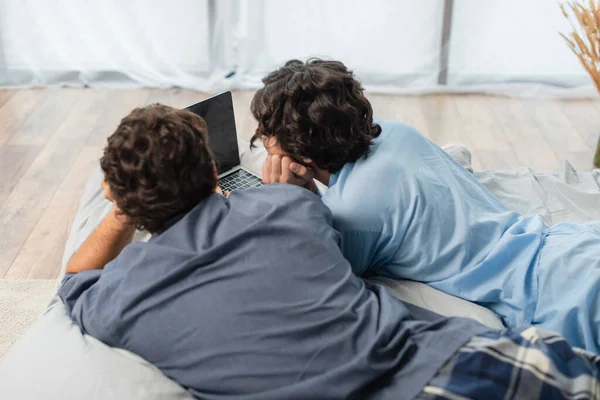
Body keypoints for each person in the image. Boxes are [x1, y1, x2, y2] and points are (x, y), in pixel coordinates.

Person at [59, 104, 600, 399]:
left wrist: (122, 210)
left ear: (120, 198)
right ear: (209, 175)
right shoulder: (285, 209)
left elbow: (76, 275)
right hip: (472, 359)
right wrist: (276, 194)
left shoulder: (116, 300)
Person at [254, 58, 600, 354]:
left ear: (302, 156)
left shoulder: (353, 215)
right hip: (568, 249)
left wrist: (290, 199)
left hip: (552, 297)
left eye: (266, 137)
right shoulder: (394, 133)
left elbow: (313, 273)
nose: (261, 141)